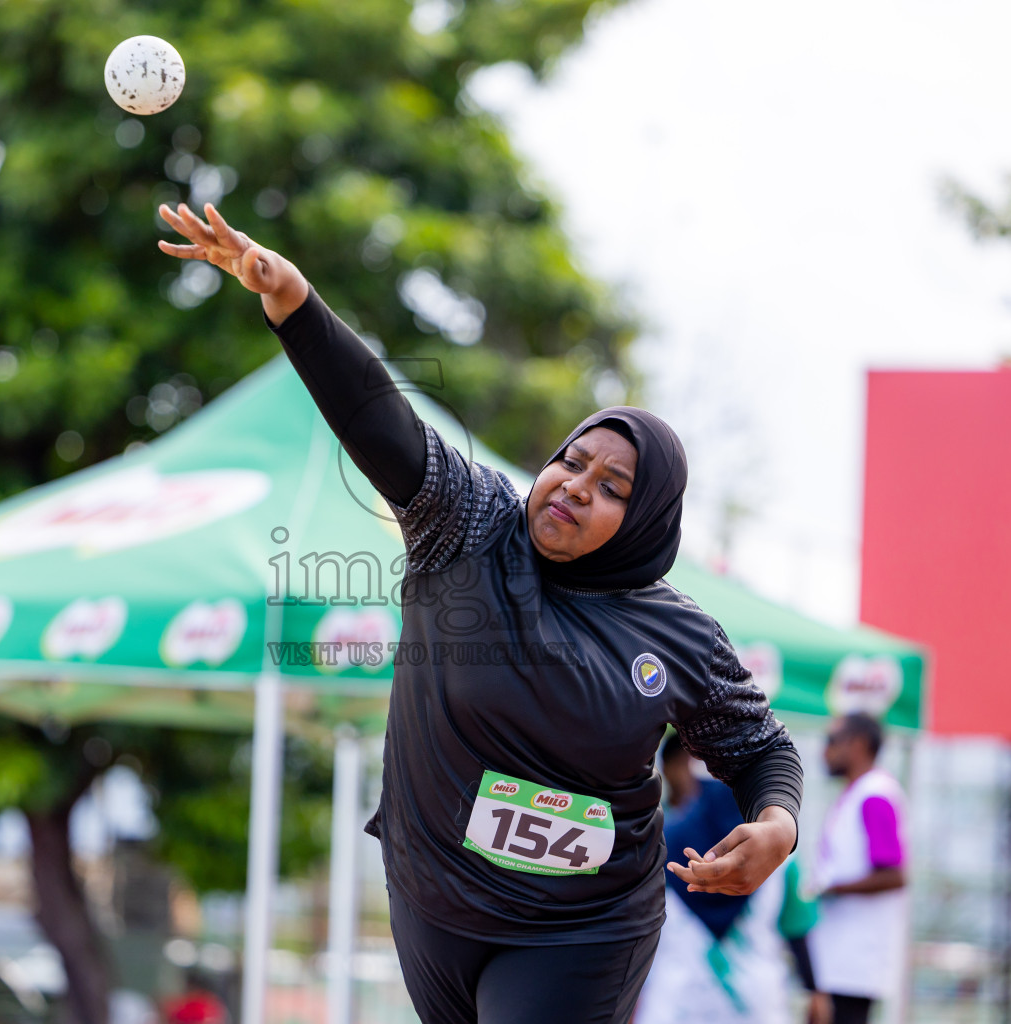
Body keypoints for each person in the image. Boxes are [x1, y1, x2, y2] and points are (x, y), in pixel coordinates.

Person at [156, 201, 804, 1024]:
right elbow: (380, 421)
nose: (576, 486)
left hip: (582, 925)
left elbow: (759, 748)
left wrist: (777, 825)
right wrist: (292, 301)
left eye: (613, 490)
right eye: (572, 461)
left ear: (644, 525)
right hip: (434, 902)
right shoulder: (467, 522)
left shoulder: (675, 634)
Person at [635, 745, 821, 1024]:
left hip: (676, 1004)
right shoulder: (779, 857)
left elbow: (636, 929)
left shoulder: (659, 845)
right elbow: (797, 931)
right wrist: (815, 991)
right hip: (754, 1007)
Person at [807, 714, 908, 1024]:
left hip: (855, 961)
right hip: (839, 957)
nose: (825, 751)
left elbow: (894, 874)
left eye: (832, 741)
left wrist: (831, 888)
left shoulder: (874, 795)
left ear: (859, 744)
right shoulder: (857, 793)